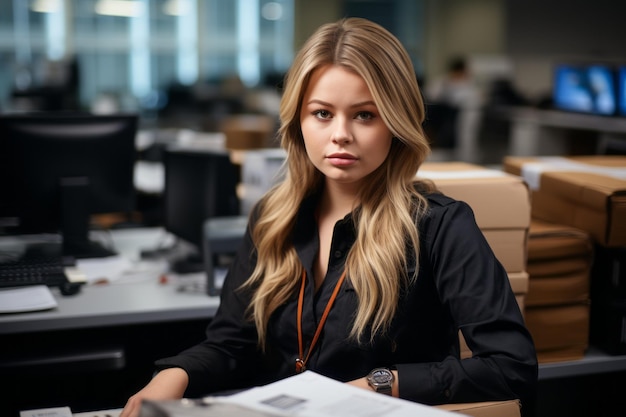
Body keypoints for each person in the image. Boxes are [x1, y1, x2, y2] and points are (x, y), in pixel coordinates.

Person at [120, 17, 537, 417]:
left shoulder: (440, 226)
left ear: (395, 122)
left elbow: (510, 367)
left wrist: (381, 382)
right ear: (298, 119)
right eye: (322, 113)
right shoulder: (272, 218)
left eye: (364, 115)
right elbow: (232, 342)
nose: (340, 134)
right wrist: (175, 374)